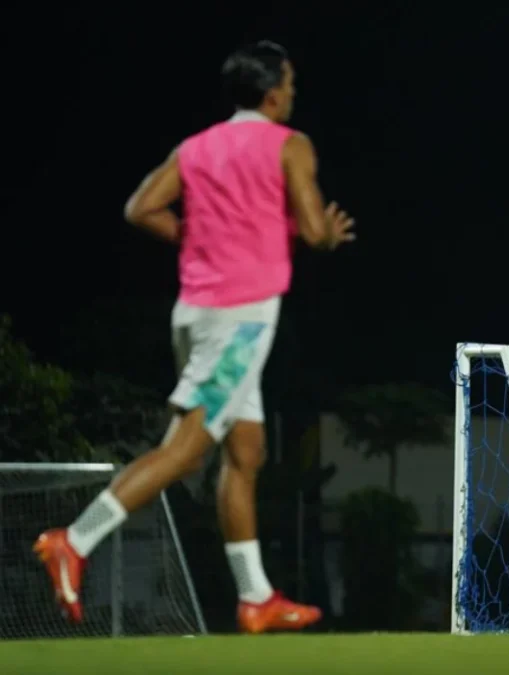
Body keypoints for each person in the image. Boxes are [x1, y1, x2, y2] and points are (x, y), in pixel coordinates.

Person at [33, 40, 354, 634]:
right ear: (271, 91)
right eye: (288, 82)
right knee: (185, 451)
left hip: (197, 311)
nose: (293, 91)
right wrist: (328, 234)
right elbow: (313, 229)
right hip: (241, 321)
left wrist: (199, 239)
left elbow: (140, 208)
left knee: (245, 451)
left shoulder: (196, 146)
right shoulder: (291, 144)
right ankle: (73, 541)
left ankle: (255, 596)